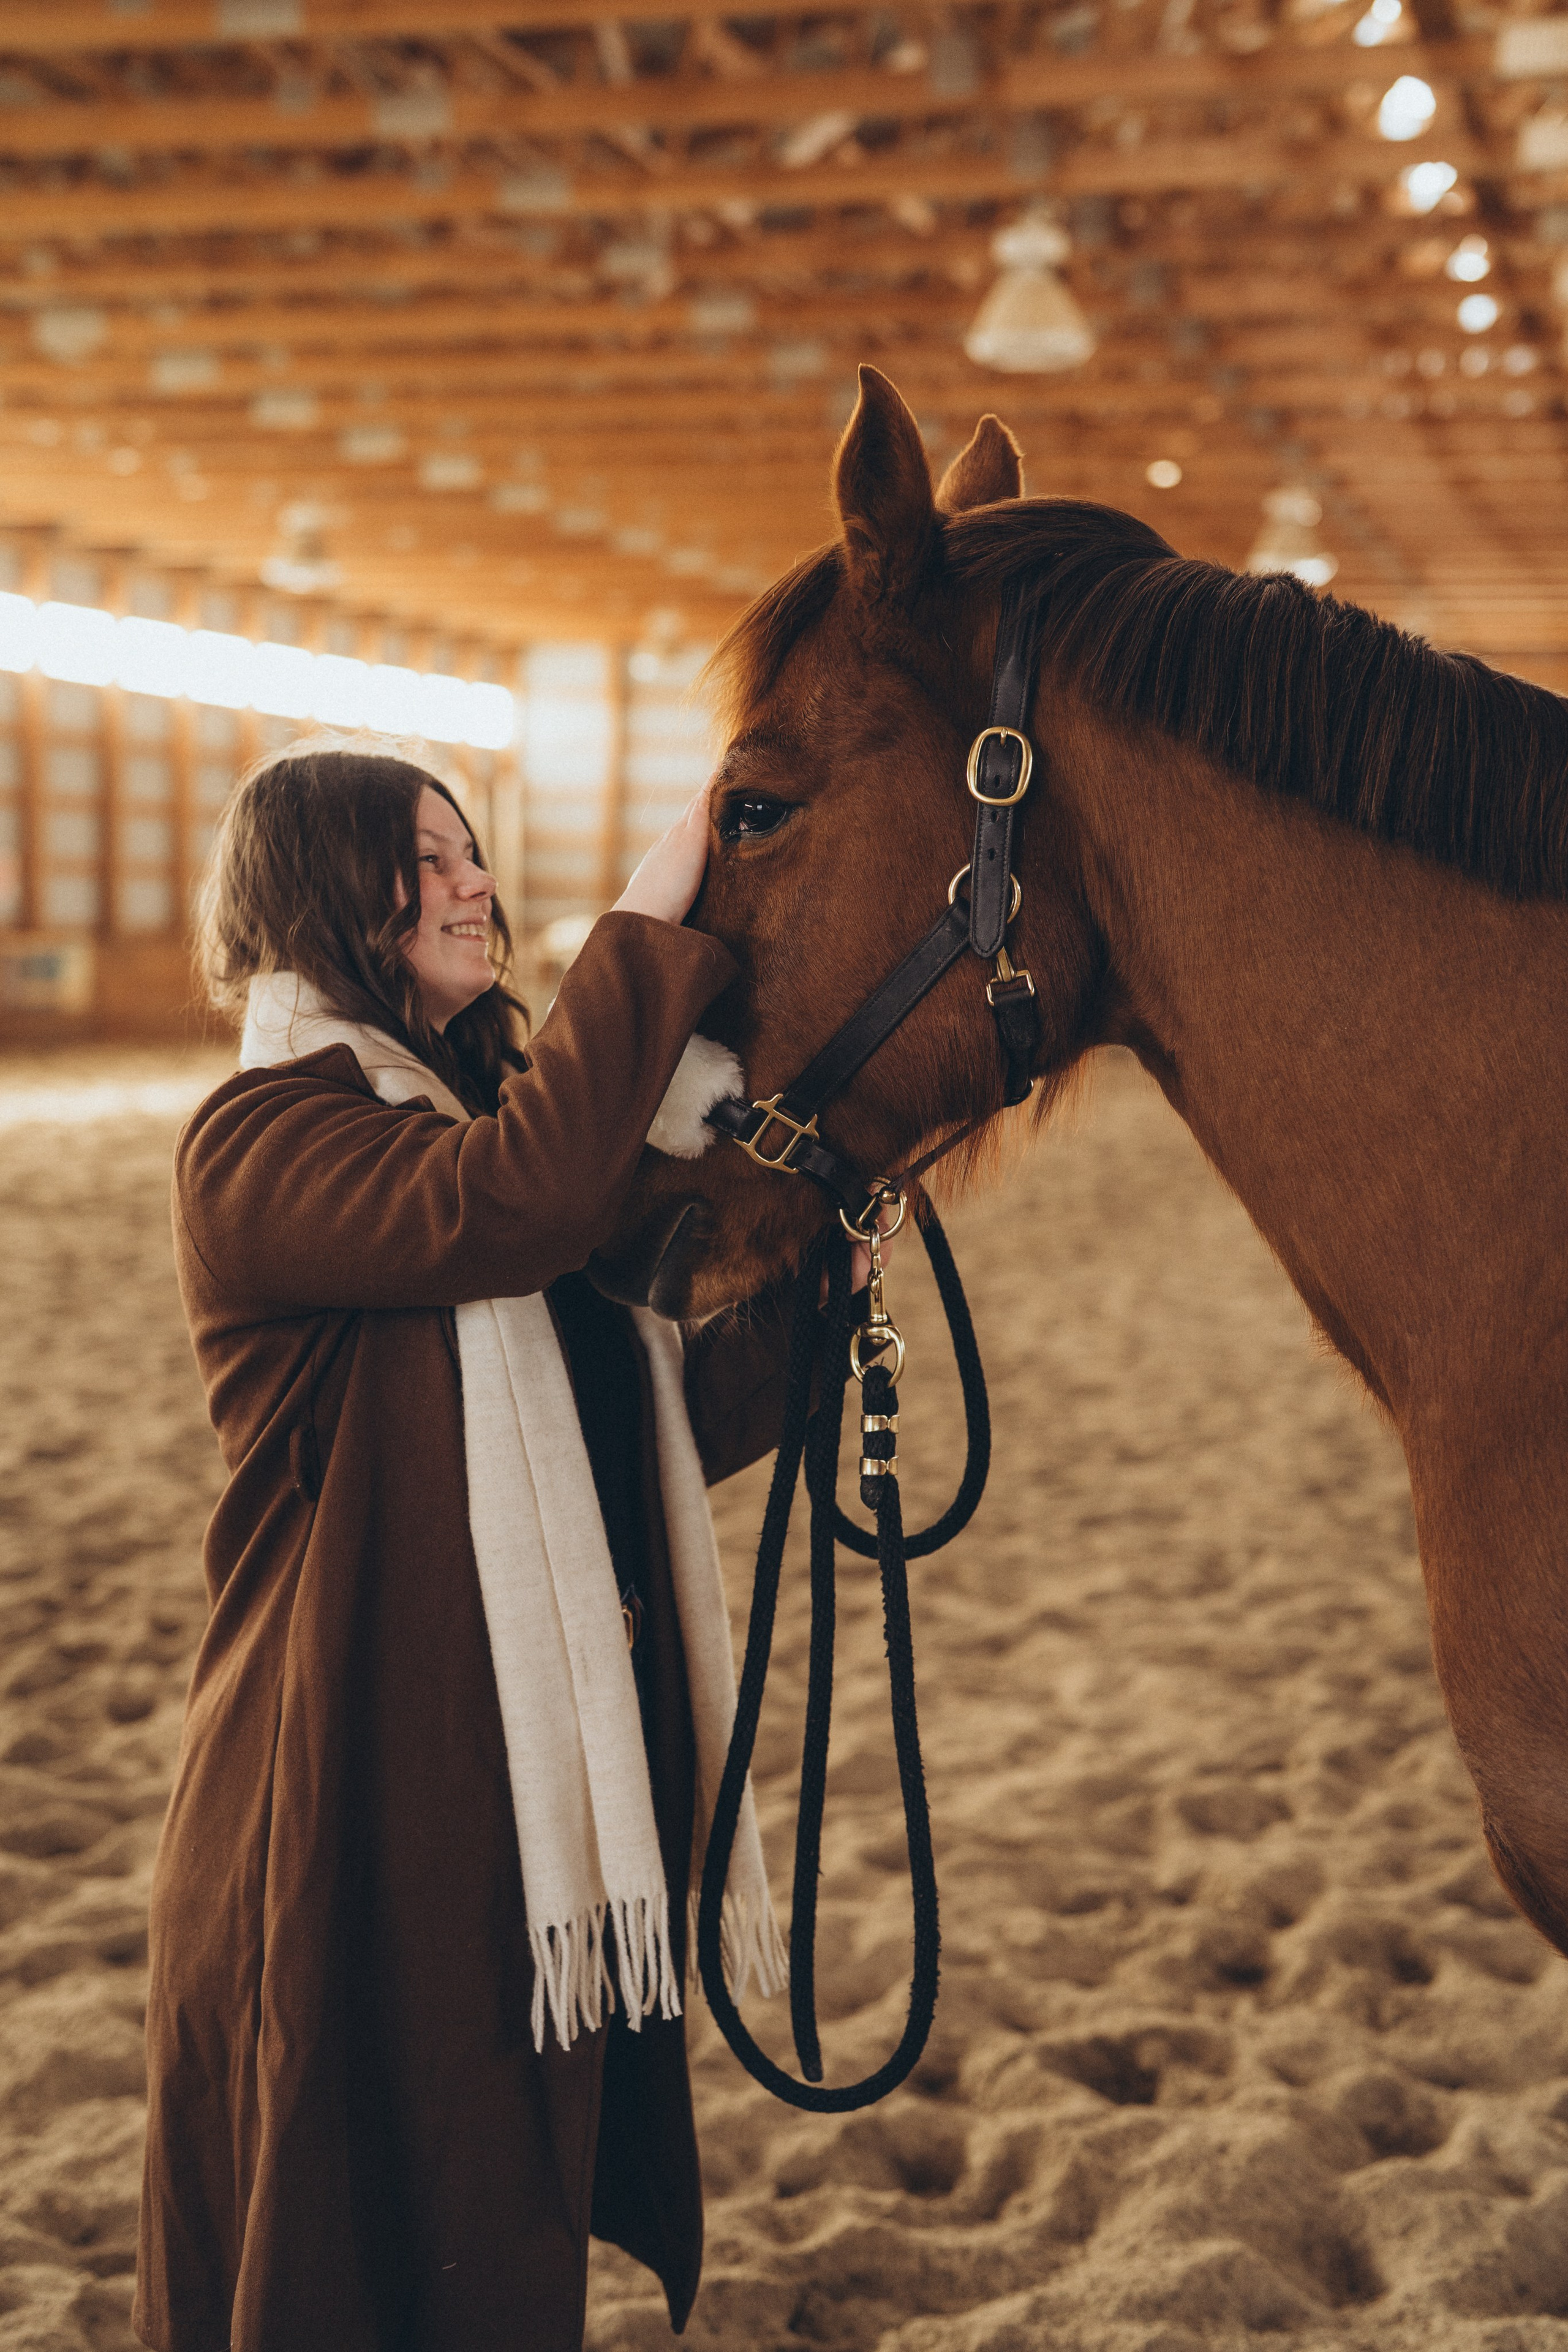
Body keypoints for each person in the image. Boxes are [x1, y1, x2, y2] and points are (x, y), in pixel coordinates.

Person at [133, 745, 802, 2352]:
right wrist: (649, 917)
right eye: (429, 862)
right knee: (359, 2196)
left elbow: (631, 1441)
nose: (477, 886)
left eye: (472, 853)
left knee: (488, 2189)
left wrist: (827, 1282)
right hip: (340, 1774)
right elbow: (515, 1206)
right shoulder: (261, 1144)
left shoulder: (468, 1128)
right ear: (325, 891)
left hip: (495, 1775)